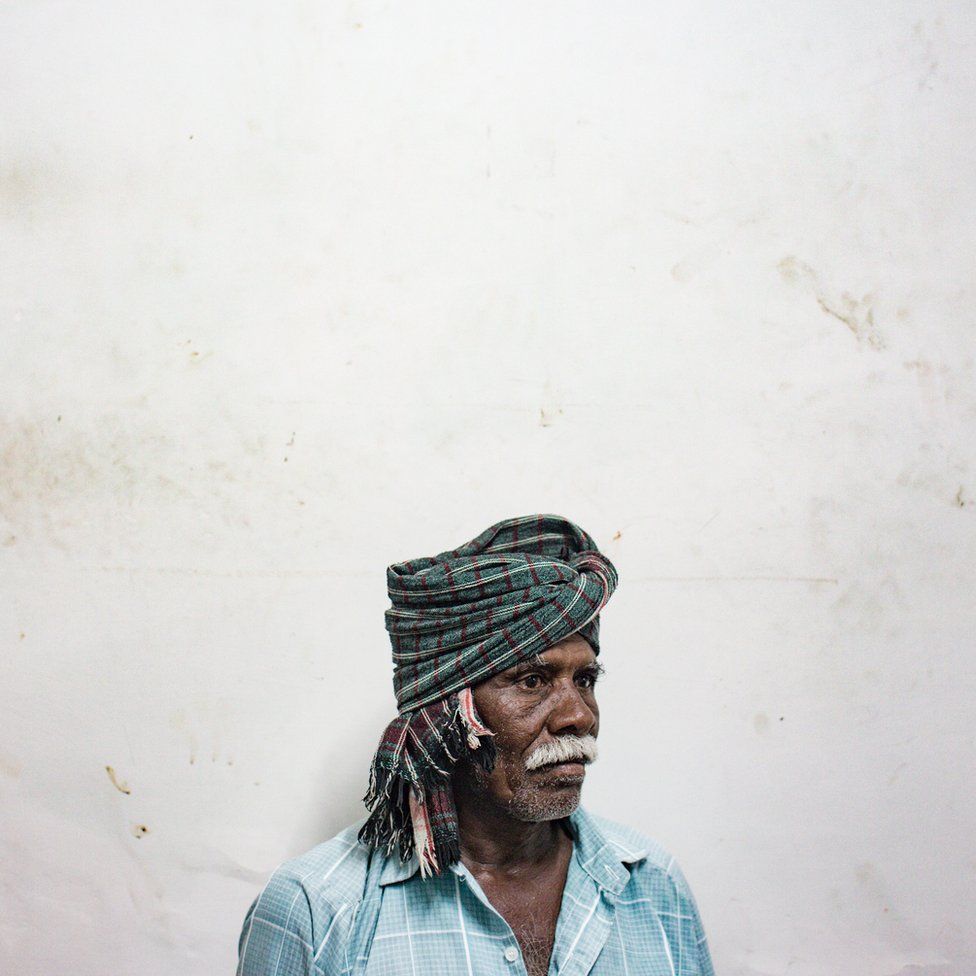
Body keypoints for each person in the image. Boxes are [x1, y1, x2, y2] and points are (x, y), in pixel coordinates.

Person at [236, 514, 715, 976]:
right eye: (531, 680)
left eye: (585, 679)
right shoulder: (316, 908)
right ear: (448, 712)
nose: (579, 716)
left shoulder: (652, 884)